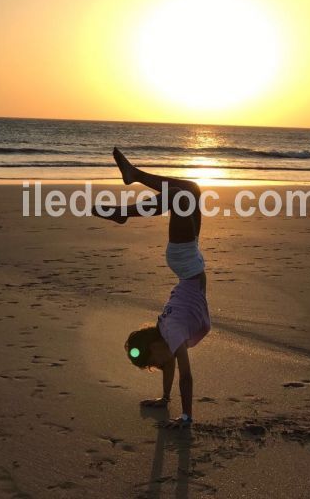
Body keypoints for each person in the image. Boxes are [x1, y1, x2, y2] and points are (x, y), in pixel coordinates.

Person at [92, 147, 210, 428]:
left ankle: (125, 203)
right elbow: (175, 369)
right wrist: (167, 401)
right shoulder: (171, 336)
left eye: (152, 362)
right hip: (189, 262)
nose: (157, 366)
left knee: (181, 196)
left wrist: (185, 418)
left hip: (185, 262)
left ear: (156, 344)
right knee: (190, 190)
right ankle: (131, 184)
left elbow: (183, 374)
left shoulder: (172, 332)